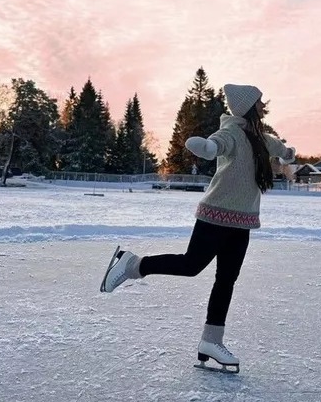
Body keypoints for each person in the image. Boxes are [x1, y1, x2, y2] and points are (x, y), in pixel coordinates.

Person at [100, 83, 296, 372]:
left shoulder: (261, 139)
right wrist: (206, 147)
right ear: (249, 107)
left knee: (226, 280)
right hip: (215, 215)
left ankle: (211, 340)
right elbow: (217, 145)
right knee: (191, 265)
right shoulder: (231, 132)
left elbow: (282, 150)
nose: (263, 107)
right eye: (259, 103)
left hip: (242, 222)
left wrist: (289, 154)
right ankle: (132, 265)